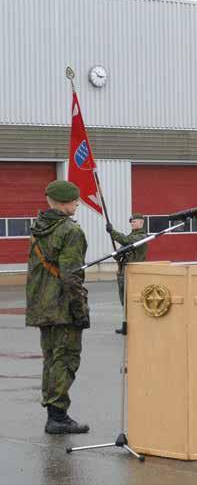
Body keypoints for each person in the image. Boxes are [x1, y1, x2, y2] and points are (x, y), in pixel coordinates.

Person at [26, 180, 90, 435]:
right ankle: (58, 417)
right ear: (64, 202)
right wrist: (80, 310)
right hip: (63, 306)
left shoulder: (39, 226)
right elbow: (71, 277)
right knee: (65, 360)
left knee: (51, 360)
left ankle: (54, 413)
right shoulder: (70, 231)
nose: (77, 203)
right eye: (75, 200)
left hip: (42, 304)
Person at [106, 213, 148, 307]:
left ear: (141, 223)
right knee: (124, 301)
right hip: (123, 272)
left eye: (134, 222)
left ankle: (132, 319)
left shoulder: (142, 237)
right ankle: (127, 319)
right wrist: (117, 254)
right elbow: (122, 250)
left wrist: (112, 232)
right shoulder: (131, 236)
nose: (132, 224)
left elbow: (126, 241)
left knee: (132, 301)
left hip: (134, 272)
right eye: (131, 222)